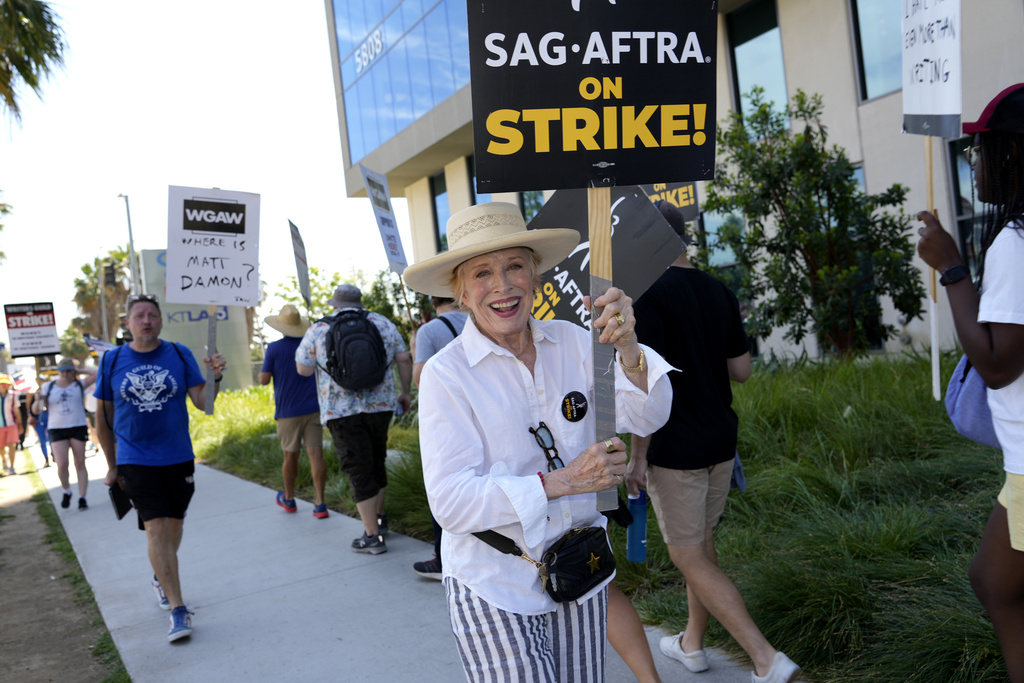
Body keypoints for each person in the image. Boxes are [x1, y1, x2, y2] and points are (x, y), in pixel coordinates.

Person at [403, 201, 674, 682]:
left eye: (514, 267)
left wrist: (629, 349)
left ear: (536, 276)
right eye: (482, 273)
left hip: (582, 569)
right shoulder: (447, 375)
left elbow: (649, 411)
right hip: (494, 581)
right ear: (460, 292)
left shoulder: (575, 342)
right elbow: (451, 503)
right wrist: (560, 482)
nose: (503, 286)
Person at [627, 200, 801, 683]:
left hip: (676, 447)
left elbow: (644, 390)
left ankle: (766, 659)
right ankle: (691, 644)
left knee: (687, 555)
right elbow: (742, 371)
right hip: (721, 439)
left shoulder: (644, 298)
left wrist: (638, 459)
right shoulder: (718, 290)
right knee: (700, 548)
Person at [917, 82, 1024, 683]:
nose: (974, 164)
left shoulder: (1014, 242)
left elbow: (999, 363)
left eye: (980, 151)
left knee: (995, 584)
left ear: (1012, 155)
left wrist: (953, 269)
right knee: (993, 579)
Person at [94, 293, 226, 643]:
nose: (146, 321)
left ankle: (160, 575)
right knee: (155, 528)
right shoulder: (111, 361)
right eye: (139, 316)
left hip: (178, 455)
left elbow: (204, 405)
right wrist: (111, 465)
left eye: (152, 315)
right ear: (127, 323)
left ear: (161, 321)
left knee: (173, 525)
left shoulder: (179, 354)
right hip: (135, 458)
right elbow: (102, 419)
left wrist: (215, 377)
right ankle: (178, 608)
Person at [296, 284, 412, 554]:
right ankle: (380, 520)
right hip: (381, 405)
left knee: (357, 468)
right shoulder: (381, 322)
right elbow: (404, 358)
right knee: (375, 461)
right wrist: (405, 392)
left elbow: (302, 369)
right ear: (360, 303)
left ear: (335, 304)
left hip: (340, 410)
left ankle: (372, 536)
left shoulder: (320, 328)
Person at [410, 295, 468, 580]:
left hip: (449, 418)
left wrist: (414, 349)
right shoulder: (478, 319)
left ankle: (442, 560)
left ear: (434, 303)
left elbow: (422, 380)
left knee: (446, 486)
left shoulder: (429, 330)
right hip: (485, 412)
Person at [258, 304, 328, 518]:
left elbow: (263, 380)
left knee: (291, 456)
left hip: (288, 411)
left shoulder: (274, 348)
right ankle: (320, 503)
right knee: (316, 454)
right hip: (314, 407)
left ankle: (289, 498)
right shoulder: (311, 344)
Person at [34, 358, 96, 510]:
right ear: (58, 372)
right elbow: (36, 410)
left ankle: (82, 497)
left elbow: (98, 373)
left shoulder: (79, 385)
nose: (66, 374)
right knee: (62, 464)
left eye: (69, 370)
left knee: (80, 462)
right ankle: (66, 490)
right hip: (57, 428)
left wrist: (79, 371)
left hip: (77, 426)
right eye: (63, 371)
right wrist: (38, 400)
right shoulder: (48, 386)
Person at [0, 374, 22, 475]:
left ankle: (12, 467)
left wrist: (20, 424)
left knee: (11, 445)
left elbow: (16, 410)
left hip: (11, 424)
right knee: (1, 447)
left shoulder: (13, 395)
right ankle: (4, 460)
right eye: (2, 384)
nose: (4, 386)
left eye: (6, 384)